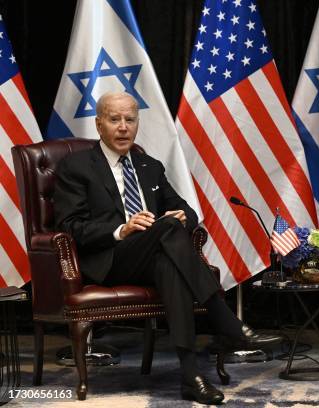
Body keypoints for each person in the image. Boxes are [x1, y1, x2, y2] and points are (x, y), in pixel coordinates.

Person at [53, 91, 281, 405]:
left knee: (169, 259)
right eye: (114, 119)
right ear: (98, 124)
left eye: (130, 119)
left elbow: (187, 212)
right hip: (110, 259)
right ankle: (226, 321)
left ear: (137, 124)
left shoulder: (150, 166)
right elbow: (71, 227)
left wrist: (179, 218)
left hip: (155, 254)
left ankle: (191, 378)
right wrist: (123, 228)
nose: (123, 127)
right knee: (169, 230)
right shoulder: (76, 166)